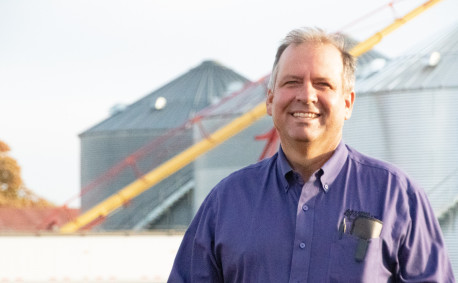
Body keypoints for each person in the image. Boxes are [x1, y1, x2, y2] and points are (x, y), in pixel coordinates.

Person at [168, 27, 455, 282]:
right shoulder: (227, 201)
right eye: (291, 82)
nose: (306, 95)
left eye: (323, 84)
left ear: (347, 102)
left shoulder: (397, 196)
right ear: (270, 100)